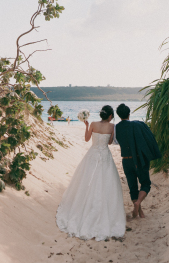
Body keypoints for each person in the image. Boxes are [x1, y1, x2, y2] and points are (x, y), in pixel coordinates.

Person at [55, 105, 126, 240]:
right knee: (105, 181)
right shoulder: (112, 127)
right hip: (105, 155)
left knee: (87, 180)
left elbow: (87, 139)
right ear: (110, 116)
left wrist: (87, 126)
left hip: (92, 154)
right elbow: (110, 143)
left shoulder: (93, 124)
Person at [113, 103, 162, 219]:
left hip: (126, 161)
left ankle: (140, 212)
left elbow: (115, 141)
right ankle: (138, 202)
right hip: (139, 160)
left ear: (118, 115)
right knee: (145, 184)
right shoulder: (138, 125)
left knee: (132, 187)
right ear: (129, 114)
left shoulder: (116, 128)